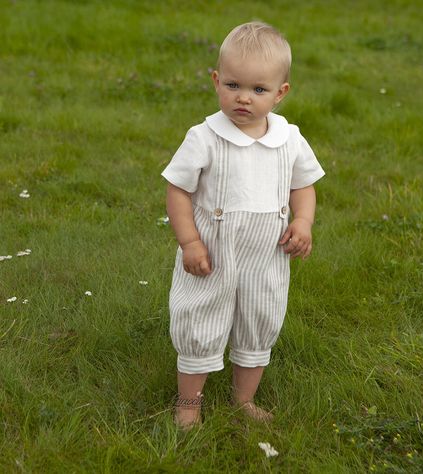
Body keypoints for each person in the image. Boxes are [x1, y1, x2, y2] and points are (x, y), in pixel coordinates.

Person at [161, 21, 325, 430]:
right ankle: (188, 403)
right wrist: (189, 242)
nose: (243, 99)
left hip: (266, 253)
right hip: (213, 252)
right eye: (232, 85)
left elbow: (303, 184)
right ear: (216, 80)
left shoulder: (289, 139)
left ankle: (243, 400)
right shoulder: (204, 137)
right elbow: (177, 190)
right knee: (200, 319)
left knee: (260, 319)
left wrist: (303, 222)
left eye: (258, 90)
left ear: (280, 92)